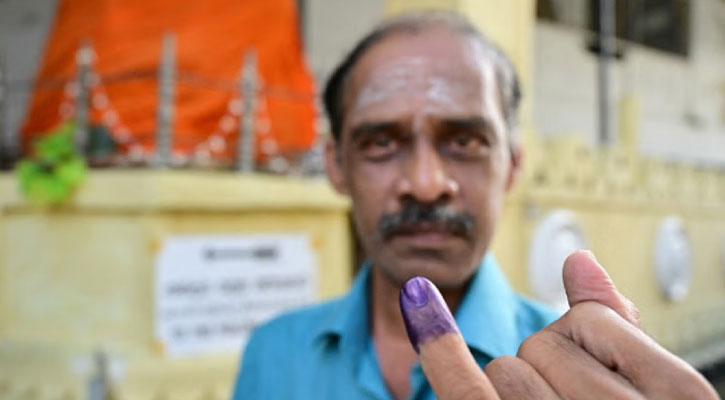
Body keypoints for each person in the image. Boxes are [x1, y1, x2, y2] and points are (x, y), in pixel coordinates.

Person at [232, 11, 718, 400]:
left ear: (512, 164)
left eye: (464, 141)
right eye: (381, 142)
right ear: (336, 165)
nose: (425, 185)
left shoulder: (594, 375)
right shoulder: (274, 355)